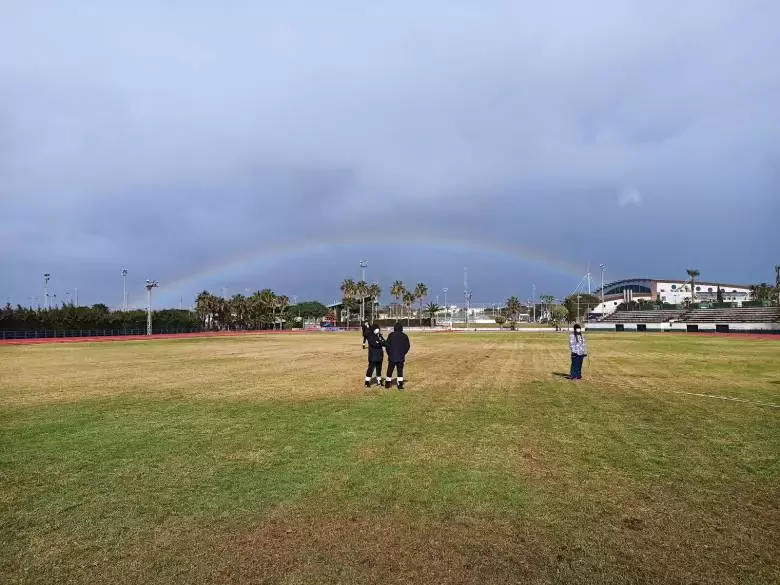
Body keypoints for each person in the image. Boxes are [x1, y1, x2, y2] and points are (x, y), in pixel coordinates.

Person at [384, 322, 411, 389]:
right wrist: (403, 353)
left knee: (389, 370)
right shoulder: (405, 336)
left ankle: (387, 384)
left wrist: (389, 353)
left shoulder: (391, 335)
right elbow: (407, 346)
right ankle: (400, 385)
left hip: (392, 356)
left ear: (394, 328)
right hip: (400, 357)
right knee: (400, 371)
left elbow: (387, 345)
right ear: (401, 328)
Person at [364, 324, 386, 388]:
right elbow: (374, 344)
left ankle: (379, 381)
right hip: (373, 356)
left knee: (379, 369)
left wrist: (380, 341)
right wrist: (380, 342)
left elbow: (384, 343)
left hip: (380, 355)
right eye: (376, 329)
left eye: (378, 328)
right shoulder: (370, 336)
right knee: (370, 369)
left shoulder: (380, 336)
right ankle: (367, 382)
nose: (377, 330)